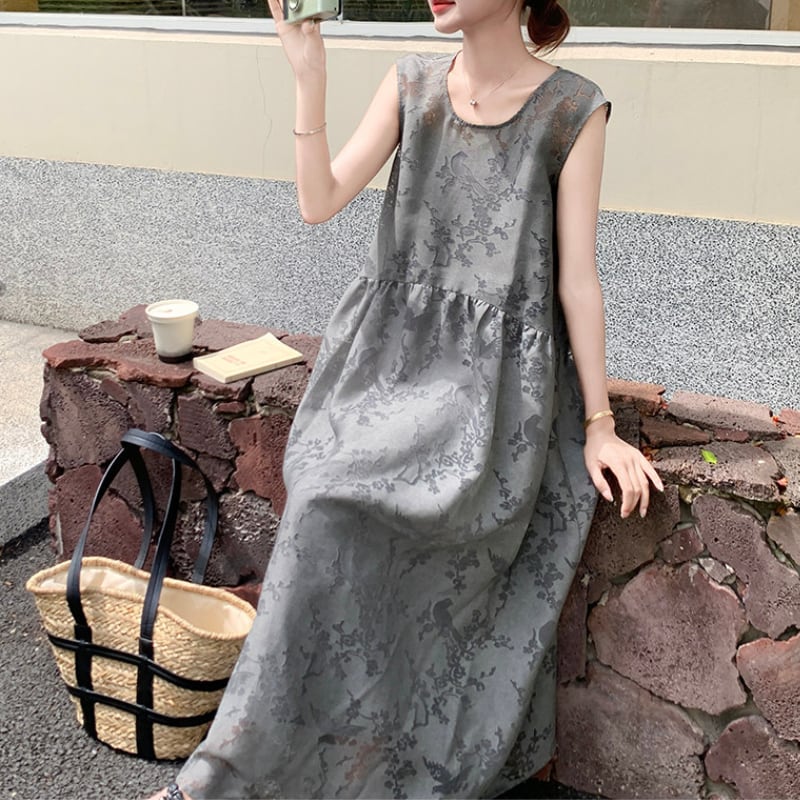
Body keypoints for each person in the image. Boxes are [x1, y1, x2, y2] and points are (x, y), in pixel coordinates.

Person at [154, 0, 663, 797]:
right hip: (385, 370)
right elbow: (318, 201)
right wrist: (308, 77)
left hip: (491, 403)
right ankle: (238, 773)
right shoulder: (411, 85)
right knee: (324, 502)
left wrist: (599, 425)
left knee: (381, 524)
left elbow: (578, 282)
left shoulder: (573, 109)